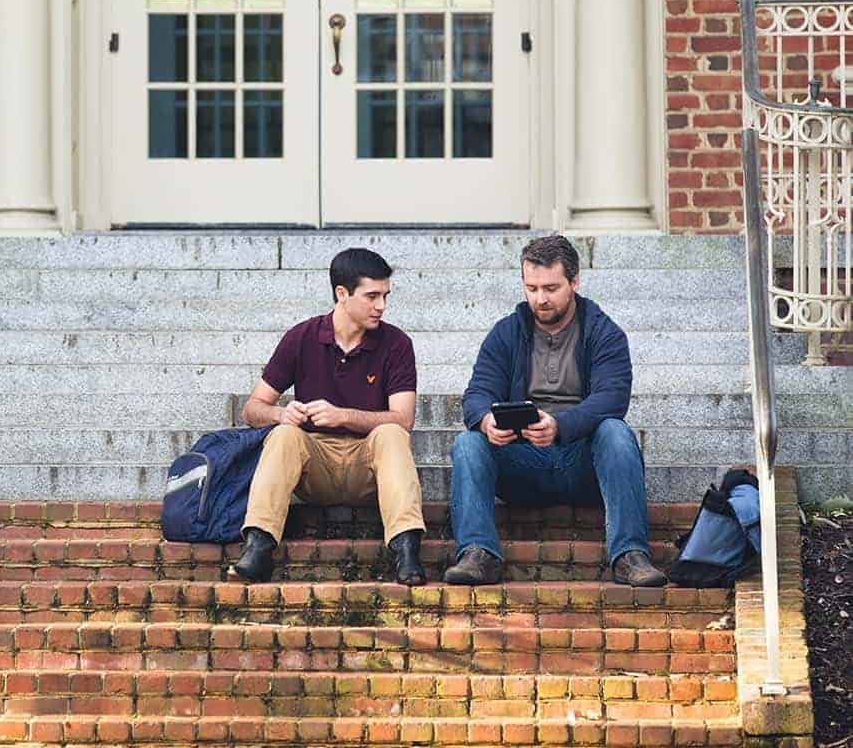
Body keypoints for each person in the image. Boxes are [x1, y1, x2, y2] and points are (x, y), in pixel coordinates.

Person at [445, 234, 667, 587]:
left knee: (616, 432)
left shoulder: (604, 333)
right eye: (531, 288)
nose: (540, 298)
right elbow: (476, 394)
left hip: (584, 465)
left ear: (574, 282)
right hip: (523, 464)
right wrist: (487, 421)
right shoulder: (506, 333)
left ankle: (629, 556)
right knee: (468, 443)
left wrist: (559, 425)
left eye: (550, 288)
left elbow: (612, 398)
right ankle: (478, 554)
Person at [229, 248, 426, 585]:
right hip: (314, 467)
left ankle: (407, 551)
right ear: (342, 294)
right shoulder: (301, 337)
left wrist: (343, 416)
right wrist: (281, 413)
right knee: (284, 434)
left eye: (385, 296)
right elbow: (252, 408)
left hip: (368, 466)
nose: (382, 306)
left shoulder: (396, 343)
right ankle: (258, 547)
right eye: (372, 296)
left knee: (392, 433)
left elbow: (403, 418)